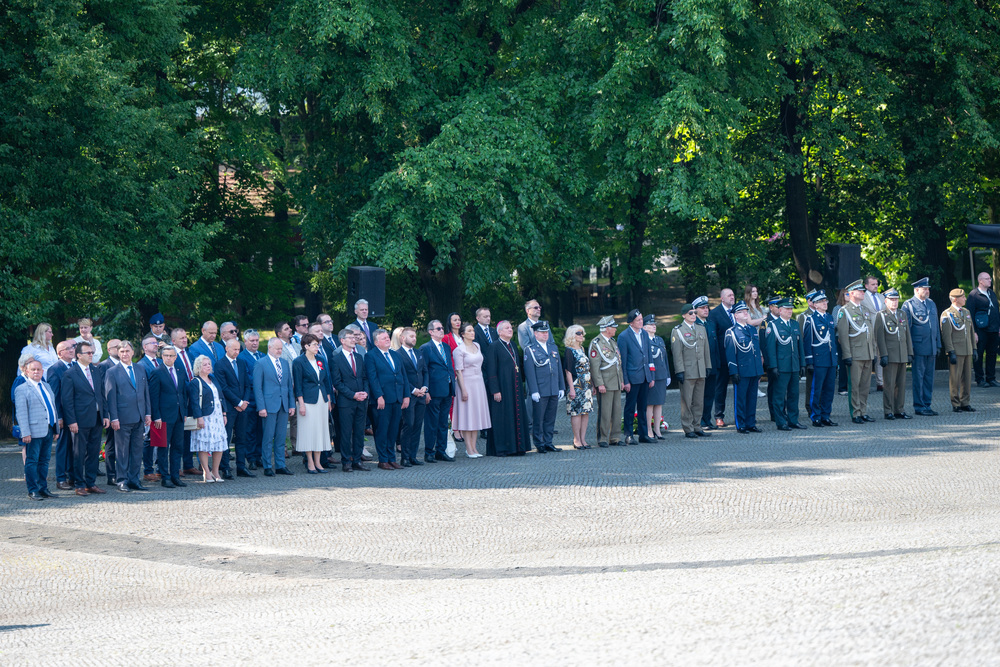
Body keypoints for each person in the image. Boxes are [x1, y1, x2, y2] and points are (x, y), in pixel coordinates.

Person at [61, 341, 109, 495]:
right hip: (80, 420)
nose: (91, 355)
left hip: (96, 418)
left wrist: (105, 415)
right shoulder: (70, 373)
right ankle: (79, 484)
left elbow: (101, 395)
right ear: (79, 355)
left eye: (92, 352)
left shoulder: (96, 371)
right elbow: (67, 401)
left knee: (94, 452)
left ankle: (91, 483)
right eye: (88, 352)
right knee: (79, 453)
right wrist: (72, 421)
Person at [104, 341, 152, 492]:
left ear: (133, 352)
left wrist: (148, 413)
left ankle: (134, 480)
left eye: (127, 351)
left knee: (137, 450)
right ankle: (122, 480)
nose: (125, 354)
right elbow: (110, 397)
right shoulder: (112, 372)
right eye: (122, 351)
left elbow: (146, 393)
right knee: (122, 451)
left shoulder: (140, 368)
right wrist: (114, 418)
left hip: (139, 416)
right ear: (118, 353)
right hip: (122, 418)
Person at [484, 320, 532, 456]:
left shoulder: (513, 345)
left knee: (515, 414)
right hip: (502, 388)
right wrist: (495, 390)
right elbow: (491, 371)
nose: (510, 329)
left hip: (514, 388)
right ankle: (503, 448)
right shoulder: (494, 347)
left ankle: (517, 447)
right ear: (499, 332)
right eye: (507, 328)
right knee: (503, 417)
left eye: (511, 327)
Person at [14, 358, 60, 500]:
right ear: (26, 371)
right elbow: (21, 413)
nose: (36, 372)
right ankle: (33, 490)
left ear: (42, 371)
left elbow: (52, 408)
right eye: (33, 369)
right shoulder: (21, 389)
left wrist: (56, 429)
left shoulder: (46, 386)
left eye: (38, 369)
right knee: (32, 461)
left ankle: (43, 488)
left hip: (48, 429)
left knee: (45, 461)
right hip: (33, 432)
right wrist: (25, 432)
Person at [364, 329, 410, 469]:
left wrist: (406, 395)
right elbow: (372, 378)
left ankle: (392, 458)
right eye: (383, 338)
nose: (387, 340)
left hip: (396, 397)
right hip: (382, 399)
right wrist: (379, 396)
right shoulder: (371, 356)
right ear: (376, 342)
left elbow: (403, 376)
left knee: (393, 429)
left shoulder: (395, 355)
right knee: (382, 430)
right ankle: (383, 459)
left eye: (387, 337)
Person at [253, 337, 296, 476]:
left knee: (281, 437)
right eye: (277, 348)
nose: (280, 351)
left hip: (283, 405)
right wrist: (261, 407)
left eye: (281, 349)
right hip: (268, 406)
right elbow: (257, 388)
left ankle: (280, 465)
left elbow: (289, 386)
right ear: (269, 348)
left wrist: (291, 404)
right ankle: (267, 466)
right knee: (268, 437)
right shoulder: (261, 363)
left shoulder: (284, 363)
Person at [837, 281, 878, 424]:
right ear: (851, 293)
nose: (862, 292)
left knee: (865, 385)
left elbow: (870, 332)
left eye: (863, 290)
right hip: (855, 354)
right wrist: (847, 355)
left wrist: (873, 351)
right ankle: (855, 413)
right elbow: (843, 335)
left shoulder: (865, 309)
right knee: (854, 385)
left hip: (867, 353)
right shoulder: (845, 311)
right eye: (859, 291)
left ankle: (863, 411)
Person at [148, 344, 188, 488]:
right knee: (162, 448)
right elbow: (153, 397)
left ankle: (175, 476)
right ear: (162, 357)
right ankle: (165, 477)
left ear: (176, 357)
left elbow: (183, 393)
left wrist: (184, 412)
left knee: (178, 447)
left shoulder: (180, 370)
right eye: (166, 355)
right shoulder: (156, 372)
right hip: (162, 417)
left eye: (171, 355)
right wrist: (156, 416)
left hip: (178, 415)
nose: (169, 358)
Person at [331, 328, 371, 471]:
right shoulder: (336, 359)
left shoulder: (359, 357)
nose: (354, 339)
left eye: (355, 337)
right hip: (346, 401)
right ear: (342, 340)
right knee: (346, 432)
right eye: (350, 337)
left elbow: (365, 377)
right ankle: (346, 461)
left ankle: (358, 460)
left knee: (360, 432)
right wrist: (353, 394)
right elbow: (337, 383)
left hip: (362, 400)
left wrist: (365, 393)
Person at [292, 333, 333, 472]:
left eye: (317, 344)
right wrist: (301, 403)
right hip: (308, 401)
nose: (317, 347)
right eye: (314, 344)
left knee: (320, 431)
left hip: (321, 399)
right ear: (306, 346)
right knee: (308, 431)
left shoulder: (320, 360)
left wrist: (328, 399)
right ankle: (309, 462)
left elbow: (326, 381)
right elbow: (298, 385)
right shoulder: (298, 362)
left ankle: (318, 462)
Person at [764, 299, 807, 431]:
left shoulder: (794, 324)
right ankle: (781, 421)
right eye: (787, 309)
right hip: (781, 366)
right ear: (780, 310)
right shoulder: (773, 325)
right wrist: (773, 366)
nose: (790, 311)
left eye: (791, 309)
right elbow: (770, 348)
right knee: (779, 395)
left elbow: (800, 346)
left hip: (794, 365)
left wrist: (802, 364)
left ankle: (793, 420)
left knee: (794, 394)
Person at [524, 321, 565, 453]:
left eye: (546, 332)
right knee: (539, 418)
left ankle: (548, 442)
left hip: (553, 388)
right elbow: (530, 373)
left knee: (550, 418)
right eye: (542, 332)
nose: (545, 334)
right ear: (535, 334)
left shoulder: (553, 347)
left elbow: (559, 369)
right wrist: (534, 391)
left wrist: (561, 387)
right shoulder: (530, 349)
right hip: (540, 390)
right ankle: (539, 443)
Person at [670, 304, 711, 438]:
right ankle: (688, 428)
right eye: (690, 313)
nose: (693, 315)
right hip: (687, 370)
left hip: (700, 370)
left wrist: (707, 366)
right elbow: (677, 353)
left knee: (699, 401)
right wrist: (679, 370)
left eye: (694, 313)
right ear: (683, 315)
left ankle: (697, 425)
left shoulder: (701, 328)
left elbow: (706, 349)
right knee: (687, 401)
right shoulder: (678, 331)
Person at [903, 277, 941, 416]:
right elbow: (906, 329)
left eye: (928, 289)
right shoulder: (909, 305)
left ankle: (927, 404)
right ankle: (919, 406)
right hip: (918, 347)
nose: (927, 291)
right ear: (916, 290)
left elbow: (935, 325)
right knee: (918, 378)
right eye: (924, 289)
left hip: (930, 346)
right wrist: (909, 349)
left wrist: (938, 344)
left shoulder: (931, 304)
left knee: (929, 378)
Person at [187, 355, 229, 482]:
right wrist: (199, 417)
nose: (208, 366)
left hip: (217, 416)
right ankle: (206, 472)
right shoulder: (195, 382)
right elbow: (194, 402)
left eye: (209, 364)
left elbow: (220, 397)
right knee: (204, 445)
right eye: (205, 364)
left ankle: (215, 471)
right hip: (205, 417)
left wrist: (224, 413)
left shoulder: (213, 379)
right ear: (198, 367)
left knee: (219, 444)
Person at [451, 322, 490, 457]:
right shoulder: (459, 350)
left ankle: (475, 448)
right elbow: (459, 371)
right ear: (463, 334)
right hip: (466, 383)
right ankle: (469, 448)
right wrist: (463, 390)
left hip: (478, 383)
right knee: (467, 416)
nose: (472, 333)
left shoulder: (477, 346)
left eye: (473, 330)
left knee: (476, 415)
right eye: (469, 331)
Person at [724, 302, 764, 434]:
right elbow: (730, 354)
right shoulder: (732, 332)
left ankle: (750, 423)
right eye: (741, 311)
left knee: (752, 399)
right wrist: (733, 371)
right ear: (735, 315)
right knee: (740, 399)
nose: (745, 313)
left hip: (754, 369)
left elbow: (756, 351)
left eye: (746, 311)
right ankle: (740, 424)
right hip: (742, 371)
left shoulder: (752, 330)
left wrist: (759, 369)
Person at [215, 339, 252, 479]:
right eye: (234, 349)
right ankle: (225, 467)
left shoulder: (241, 362)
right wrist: (238, 402)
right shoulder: (220, 364)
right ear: (226, 348)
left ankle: (241, 466)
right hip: (229, 407)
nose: (237, 352)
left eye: (238, 349)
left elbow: (247, 384)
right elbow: (223, 388)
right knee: (226, 437)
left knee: (242, 437)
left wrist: (244, 402)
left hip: (243, 407)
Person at [874, 288, 914, 420]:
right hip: (890, 355)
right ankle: (888, 410)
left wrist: (910, 352)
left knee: (901, 384)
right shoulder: (881, 315)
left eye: (896, 299)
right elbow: (879, 336)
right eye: (892, 300)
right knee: (889, 385)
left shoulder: (902, 314)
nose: (895, 302)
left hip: (902, 354)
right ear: (886, 301)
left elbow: (907, 334)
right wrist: (883, 355)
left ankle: (899, 409)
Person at [420, 320, 456, 462]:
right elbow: (425, 370)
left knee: (443, 422)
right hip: (434, 391)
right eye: (438, 328)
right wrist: (426, 390)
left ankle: (441, 450)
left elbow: (449, 367)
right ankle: (429, 451)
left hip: (447, 389)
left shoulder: (446, 347)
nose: (442, 330)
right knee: (431, 422)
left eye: (442, 328)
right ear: (431, 332)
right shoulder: (426, 348)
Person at [802, 291, 839, 427]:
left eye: (826, 301)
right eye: (822, 302)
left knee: (829, 389)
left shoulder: (829, 317)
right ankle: (815, 416)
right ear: (816, 305)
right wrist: (809, 361)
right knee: (816, 389)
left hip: (830, 359)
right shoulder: (811, 320)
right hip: (818, 360)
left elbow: (832, 341)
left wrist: (835, 359)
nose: (825, 303)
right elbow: (807, 342)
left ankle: (825, 415)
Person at [618, 308, 653, 444]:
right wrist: (625, 380)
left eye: (641, 319)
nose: (641, 321)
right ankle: (629, 434)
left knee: (643, 406)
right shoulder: (624, 336)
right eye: (638, 320)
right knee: (630, 407)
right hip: (632, 378)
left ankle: (644, 434)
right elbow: (623, 361)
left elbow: (648, 356)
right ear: (631, 323)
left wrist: (651, 376)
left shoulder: (644, 334)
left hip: (644, 376)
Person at [589, 316, 624, 447]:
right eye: (613, 326)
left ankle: (615, 437)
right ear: (606, 328)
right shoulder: (596, 343)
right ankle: (602, 438)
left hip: (615, 381)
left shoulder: (612, 342)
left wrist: (621, 380)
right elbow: (594, 366)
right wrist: (599, 384)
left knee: (617, 411)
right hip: (605, 382)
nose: (615, 329)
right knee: (605, 411)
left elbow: (618, 363)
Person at [46, 340, 77, 490]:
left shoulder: (76, 366)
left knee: (74, 447)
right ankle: (60, 478)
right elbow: (54, 396)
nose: (72, 350)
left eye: (73, 348)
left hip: (76, 415)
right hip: (63, 416)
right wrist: (58, 417)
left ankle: (72, 476)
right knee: (63, 447)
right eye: (68, 348)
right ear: (60, 353)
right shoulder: (55, 369)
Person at [941, 288, 977, 413]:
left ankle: (965, 402)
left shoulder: (966, 312)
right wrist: (950, 351)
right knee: (955, 379)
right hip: (956, 350)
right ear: (955, 299)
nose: (965, 299)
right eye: (963, 297)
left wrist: (974, 348)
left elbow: (971, 332)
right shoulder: (947, 314)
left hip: (967, 350)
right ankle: (955, 403)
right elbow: (947, 335)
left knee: (967, 378)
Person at [170, 327, 199, 476]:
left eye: (185, 337)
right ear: (173, 341)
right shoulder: (171, 356)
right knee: (177, 435)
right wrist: (192, 386)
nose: (185, 340)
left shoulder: (190, 354)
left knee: (189, 433)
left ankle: (188, 464)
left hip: (192, 399)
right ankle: (176, 466)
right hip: (179, 399)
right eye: (181, 338)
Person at [398, 327, 428, 466]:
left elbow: (425, 372)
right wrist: (413, 390)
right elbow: (400, 377)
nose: (414, 338)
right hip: (408, 395)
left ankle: (413, 456)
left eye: (415, 336)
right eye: (411, 336)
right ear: (403, 338)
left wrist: (425, 388)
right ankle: (404, 457)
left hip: (421, 395)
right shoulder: (397, 354)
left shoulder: (419, 352)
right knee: (408, 425)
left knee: (417, 426)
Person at [238, 329, 266, 472]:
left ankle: (259, 455)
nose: (255, 343)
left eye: (257, 340)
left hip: (262, 399)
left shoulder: (262, 355)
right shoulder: (241, 357)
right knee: (249, 430)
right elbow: (246, 377)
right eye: (252, 341)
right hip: (249, 399)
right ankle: (251, 458)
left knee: (261, 429)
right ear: (245, 341)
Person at [709, 288, 737, 427]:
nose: (732, 297)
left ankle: (742, 415)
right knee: (721, 388)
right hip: (723, 358)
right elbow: (714, 339)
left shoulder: (739, 311)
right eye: (729, 295)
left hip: (739, 357)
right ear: (722, 298)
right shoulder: (714, 314)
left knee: (742, 387)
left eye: (733, 295)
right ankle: (718, 416)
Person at [563, 324, 593, 449]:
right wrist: (571, 388)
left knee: (585, 412)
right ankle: (576, 439)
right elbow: (568, 371)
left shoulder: (582, 349)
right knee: (576, 412)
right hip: (576, 385)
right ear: (572, 335)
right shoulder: (569, 350)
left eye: (582, 333)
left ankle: (583, 438)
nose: (582, 335)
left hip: (586, 386)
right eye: (579, 333)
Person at [967, 272, 999, 387]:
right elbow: (969, 314)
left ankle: (991, 378)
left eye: (990, 278)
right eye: (987, 278)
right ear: (980, 281)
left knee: (992, 354)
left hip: (993, 330)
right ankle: (980, 379)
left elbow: (996, 311)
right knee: (979, 354)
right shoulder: (974, 295)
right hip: (981, 330)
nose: (990, 280)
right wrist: (974, 332)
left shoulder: (991, 293)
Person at [96, 338, 121, 484]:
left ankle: (124, 472)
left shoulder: (127, 365)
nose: (119, 349)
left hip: (126, 411)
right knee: (111, 444)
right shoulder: (104, 366)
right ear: (109, 350)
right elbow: (102, 392)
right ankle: (111, 474)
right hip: (111, 412)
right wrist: (107, 414)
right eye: (116, 347)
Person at [693, 297, 720, 431]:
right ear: (696, 310)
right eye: (702, 308)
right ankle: (700, 421)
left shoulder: (710, 323)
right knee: (700, 395)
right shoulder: (694, 324)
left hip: (713, 364)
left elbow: (715, 345)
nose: (706, 310)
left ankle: (707, 419)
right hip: (701, 365)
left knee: (710, 394)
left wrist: (717, 363)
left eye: (707, 307)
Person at [643, 315, 670, 440]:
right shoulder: (644, 340)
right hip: (651, 376)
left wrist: (668, 375)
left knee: (659, 403)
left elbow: (665, 360)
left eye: (654, 324)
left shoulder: (659, 340)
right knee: (650, 404)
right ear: (644, 327)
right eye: (650, 324)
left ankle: (657, 430)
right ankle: (649, 430)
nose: (654, 326)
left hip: (661, 375)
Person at [859, 276, 886, 391]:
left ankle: (881, 382)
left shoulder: (882, 297)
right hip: (868, 331)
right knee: (870, 357)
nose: (875, 286)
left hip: (882, 331)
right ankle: (865, 384)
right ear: (866, 286)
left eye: (876, 284)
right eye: (873, 284)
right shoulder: (862, 297)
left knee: (881, 356)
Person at [794, 291, 818, 415]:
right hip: (811, 354)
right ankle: (810, 406)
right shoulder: (804, 316)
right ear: (809, 301)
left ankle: (819, 406)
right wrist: (804, 359)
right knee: (811, 383)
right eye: (815, 300)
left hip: (822, 355)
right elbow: (802, 338)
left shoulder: (823, 314)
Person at [763, 296, 784, 420]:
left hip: (784, 361)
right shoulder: (766, 322)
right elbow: (763, 344)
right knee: (773, 388)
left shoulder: (784, 320)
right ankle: (773, 413)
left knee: (782, 389)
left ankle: (782, 411)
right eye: (777, 306)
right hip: (772, 361)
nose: (780, 308)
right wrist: (769, 362)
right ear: (771, 307)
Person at [832, 289, 850, 396]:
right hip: (841, 337)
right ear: (842, 296)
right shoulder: (837, 308)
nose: (849, 295)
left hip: (853, 338)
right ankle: (842, 387)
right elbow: (835, 323)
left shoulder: (854, 307)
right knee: (843, 363)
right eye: (847, 294)